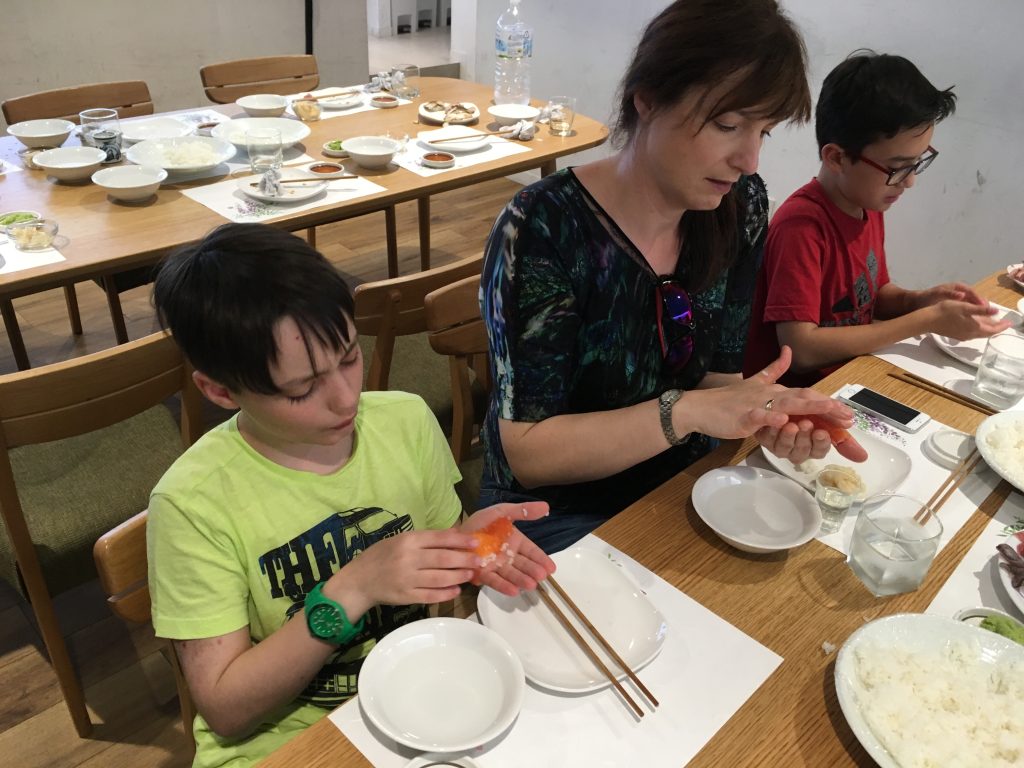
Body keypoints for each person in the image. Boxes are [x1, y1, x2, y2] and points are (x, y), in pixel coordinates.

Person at [147, 223, 555, 768]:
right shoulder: (191, 504)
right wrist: (353, 587)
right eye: (301, 389)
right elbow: (226, 709)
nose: (346, 399)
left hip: (418, 696)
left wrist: (470, 548)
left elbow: (440, 556)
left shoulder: (405, 420)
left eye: (347, 357)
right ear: (219, 391)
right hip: (288, 739)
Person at [478, 0, 865, 555]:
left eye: (765, 132)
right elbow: (531, 454)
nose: (749, 159)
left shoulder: (740, 206)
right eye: (728, 125)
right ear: (648, 98)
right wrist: (686, 412)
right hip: (553, 510)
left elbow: (717, 381)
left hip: (685, 474)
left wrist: (761, 412)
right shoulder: (544, 226)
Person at [743, 51, 1010, 387]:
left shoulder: (866, 204)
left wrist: (919, 301)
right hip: (796, 395)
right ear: (837, 158)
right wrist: (925, 320)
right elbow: (801, 349)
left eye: (917, 163)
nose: (909, 182)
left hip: (851, 378)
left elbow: (873, 295)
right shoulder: (802, 226)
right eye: (898, 168)